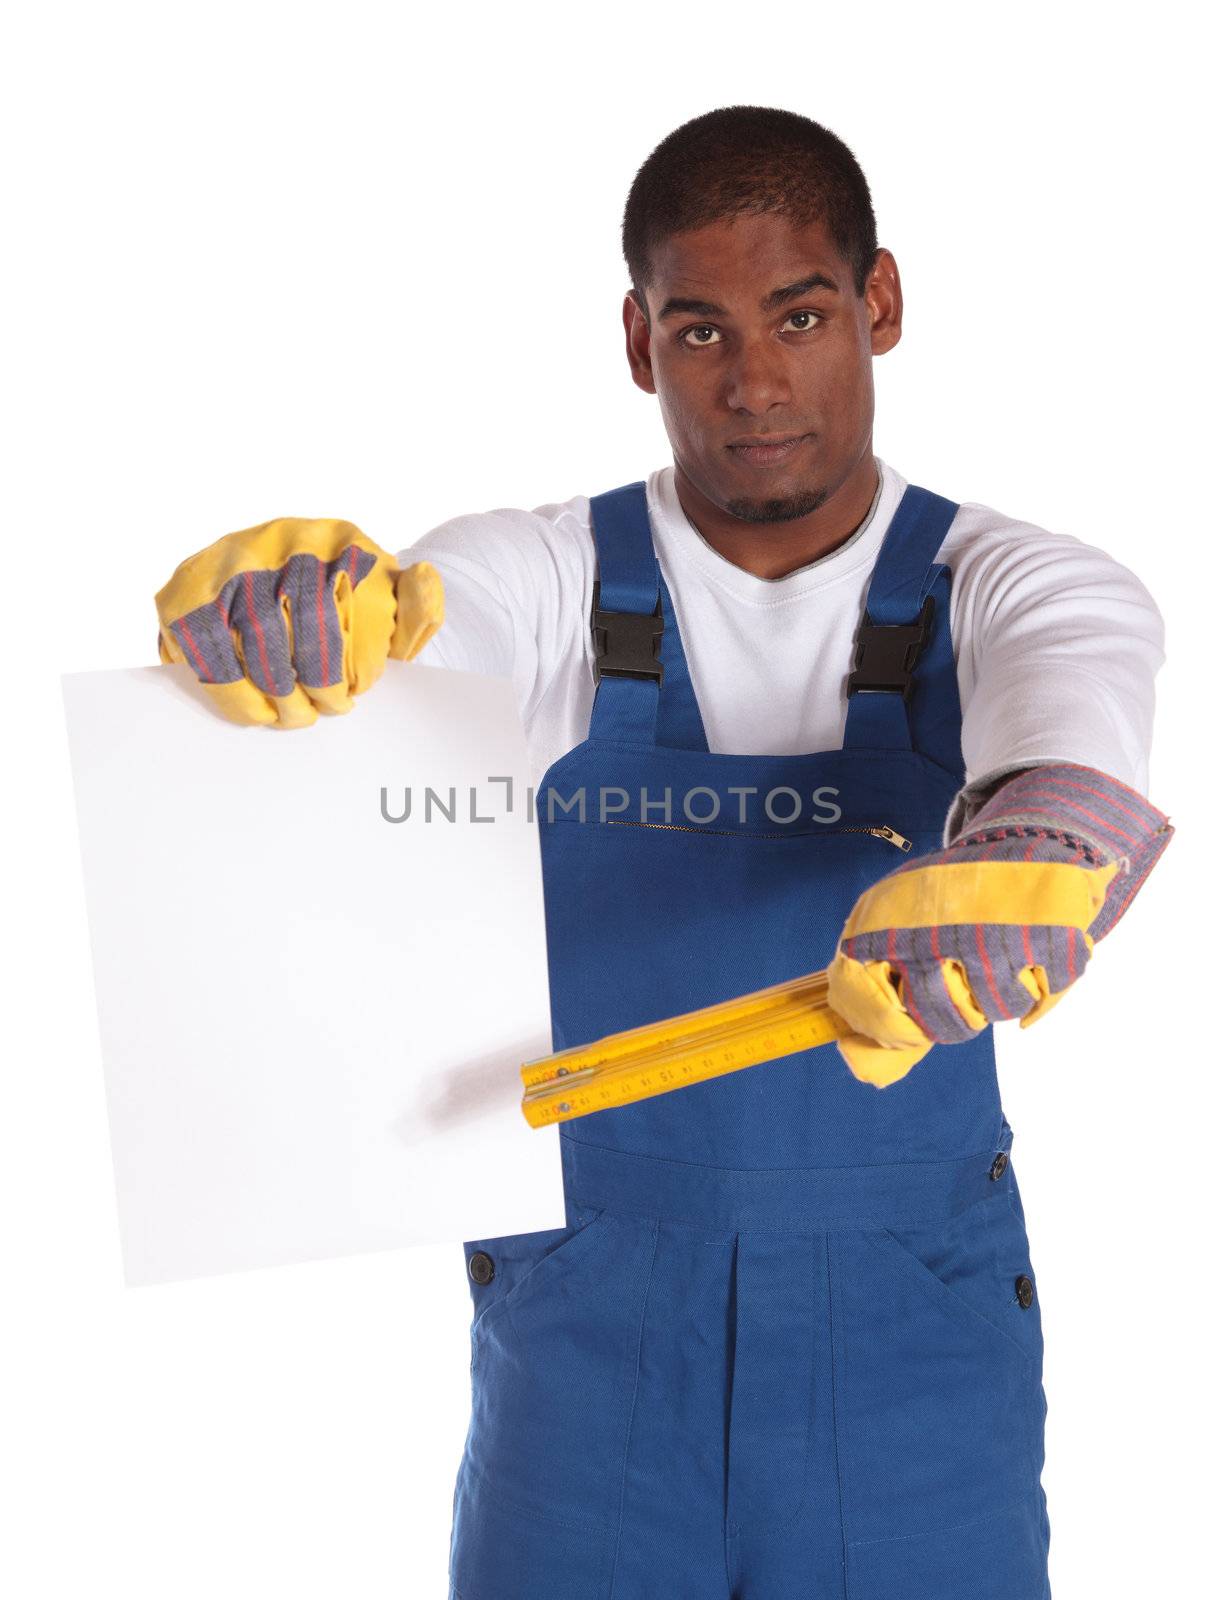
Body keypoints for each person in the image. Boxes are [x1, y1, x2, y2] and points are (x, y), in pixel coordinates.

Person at [154, 105, 1174, 1600]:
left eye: (801, 315)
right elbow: (441, 626)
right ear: (636, 342)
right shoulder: (551, 574)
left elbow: (1072, 727)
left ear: (878, 305)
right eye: (698, 331)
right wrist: (338, 626)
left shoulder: (1012, 581)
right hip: (589, 1337)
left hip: (909, 1345)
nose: (753, 382)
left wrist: (1034, 847)